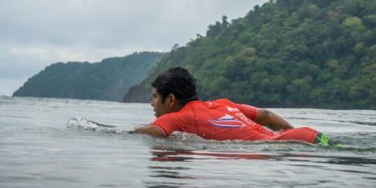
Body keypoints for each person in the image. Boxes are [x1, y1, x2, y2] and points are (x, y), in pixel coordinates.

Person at [135, 67, 335, 145]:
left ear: (170, 100)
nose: (151, 103)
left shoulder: (176, 117)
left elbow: (149, 132)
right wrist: (293, 135)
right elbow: (265, 114)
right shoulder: (222, 103)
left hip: (293, 145)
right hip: (306, 135)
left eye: (154, 97)